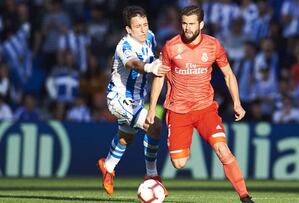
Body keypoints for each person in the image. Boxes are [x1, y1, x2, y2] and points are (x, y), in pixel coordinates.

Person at [146, 5, 254, 203]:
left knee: (223, 149)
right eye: (184, 23)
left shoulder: (213, 46)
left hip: (205, 108)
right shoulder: (171, 46)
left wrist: (237, 103)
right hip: (178, 110)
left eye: (191, 24)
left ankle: (245, 196)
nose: (187, 28)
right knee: (179, 163)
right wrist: (153, 107)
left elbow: (228, 74)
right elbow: (159, 77)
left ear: (201, 24)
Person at [97, 6, 170, 196]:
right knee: (154, 125)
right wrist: (150, 68)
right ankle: (152, 176)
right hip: (119, 98)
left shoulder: (151, 37)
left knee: (125, 137)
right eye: (138, 26)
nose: (143, 30)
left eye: (145, 24)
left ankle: (108, 166)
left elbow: (156, 56)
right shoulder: (124, 46)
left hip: (137, 99)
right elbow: (134, 64)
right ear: (129, 29)